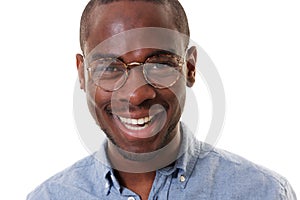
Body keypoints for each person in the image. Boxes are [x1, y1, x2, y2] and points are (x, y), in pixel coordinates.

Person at [27, 0, 297, 199]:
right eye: (109, 67)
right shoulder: (49, 196)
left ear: (190, 68)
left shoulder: (264, 192)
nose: (137, 94)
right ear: (82, 76)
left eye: (160, 64)